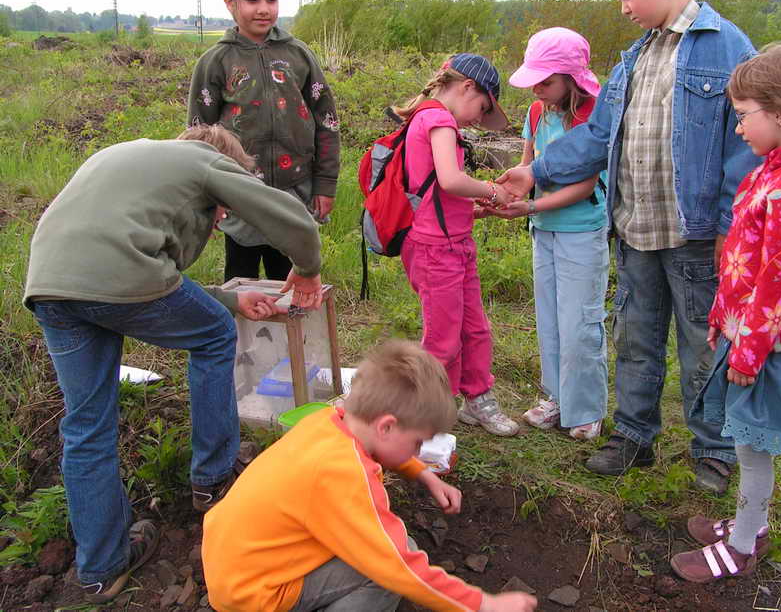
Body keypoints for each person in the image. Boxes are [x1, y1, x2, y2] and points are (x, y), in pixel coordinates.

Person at [496, 0, 760, 493]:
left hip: (694, 235)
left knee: (700, 345)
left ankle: (712, 447)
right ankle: (634, 435)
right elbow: (596, 135)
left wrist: (728, 228)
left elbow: (744, 149)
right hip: (636, 231)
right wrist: (534, 170)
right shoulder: (637, 56)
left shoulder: (729, 48)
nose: (622, 7)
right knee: (635, 339)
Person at [23, 124, 324, 603]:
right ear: (223, 163)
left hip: (50, 285)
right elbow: (291, 218)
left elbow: (132, 277)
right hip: (114, 276)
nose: (220, 216)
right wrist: (307, 269)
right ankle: (213, 478)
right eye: (221, 209)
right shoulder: (204, 160)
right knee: (214, 337)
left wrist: (228, 298)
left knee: (85, 427)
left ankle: (102, 568)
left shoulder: (126, 154)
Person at [203, 339, 538, 612]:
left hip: (233, 566)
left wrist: (424, 475)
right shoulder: (345, 474)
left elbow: (384, 447)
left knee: (378, 544)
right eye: (417, 442)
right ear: (388, 426)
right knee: (385, 569)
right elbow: (399, 568)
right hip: (256, 597)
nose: (418, 451)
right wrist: (483, 604)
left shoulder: (327, 420)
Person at [670, 42, 781, 582]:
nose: (738, 130)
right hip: (745, 332)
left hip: (767, 343)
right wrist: (722, 313)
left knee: (749, 442)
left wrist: (748, 346)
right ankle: (749, 525)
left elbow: (778, 282)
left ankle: (743, 545)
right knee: (746, 439)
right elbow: (742, 258)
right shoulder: (770, 172)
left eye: (744, 116)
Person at [187, 0, 340, 283]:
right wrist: (209, 197)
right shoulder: (216, 61)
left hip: (293, 190)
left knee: (288, 279)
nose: (264, 8)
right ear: (230, 2)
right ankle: (243, 337)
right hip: (238, 191)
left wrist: (324, 184)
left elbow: (326, 120)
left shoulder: (298, 54)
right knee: (241, 280)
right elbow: (198, 136)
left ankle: (292, 336)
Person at [490, 27, 608, 440]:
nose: (538, 89)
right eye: (534, 81)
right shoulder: (537, 114)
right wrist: (501, 196)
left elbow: (586, 184)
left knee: (580, 321)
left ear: (571, 77)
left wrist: (533, 205)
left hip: (582, 230)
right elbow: (528, 166)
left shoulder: (594, 116)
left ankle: (587, 407)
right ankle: (556, 397)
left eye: (546, 81)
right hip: (544, 230)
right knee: (550, 319)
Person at [394, 53, 521, 436]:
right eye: (482, 109)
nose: (479, 120)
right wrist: (493, 191)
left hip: (454, 242)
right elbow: (450, 179)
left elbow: (436, 188)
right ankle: (430, 411)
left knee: (475, 329)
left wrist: (473, 208)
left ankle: (477, 398)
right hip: (436, 250)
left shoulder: (434, 119)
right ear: (468, 87)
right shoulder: (438, 119)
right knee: (443, 338)